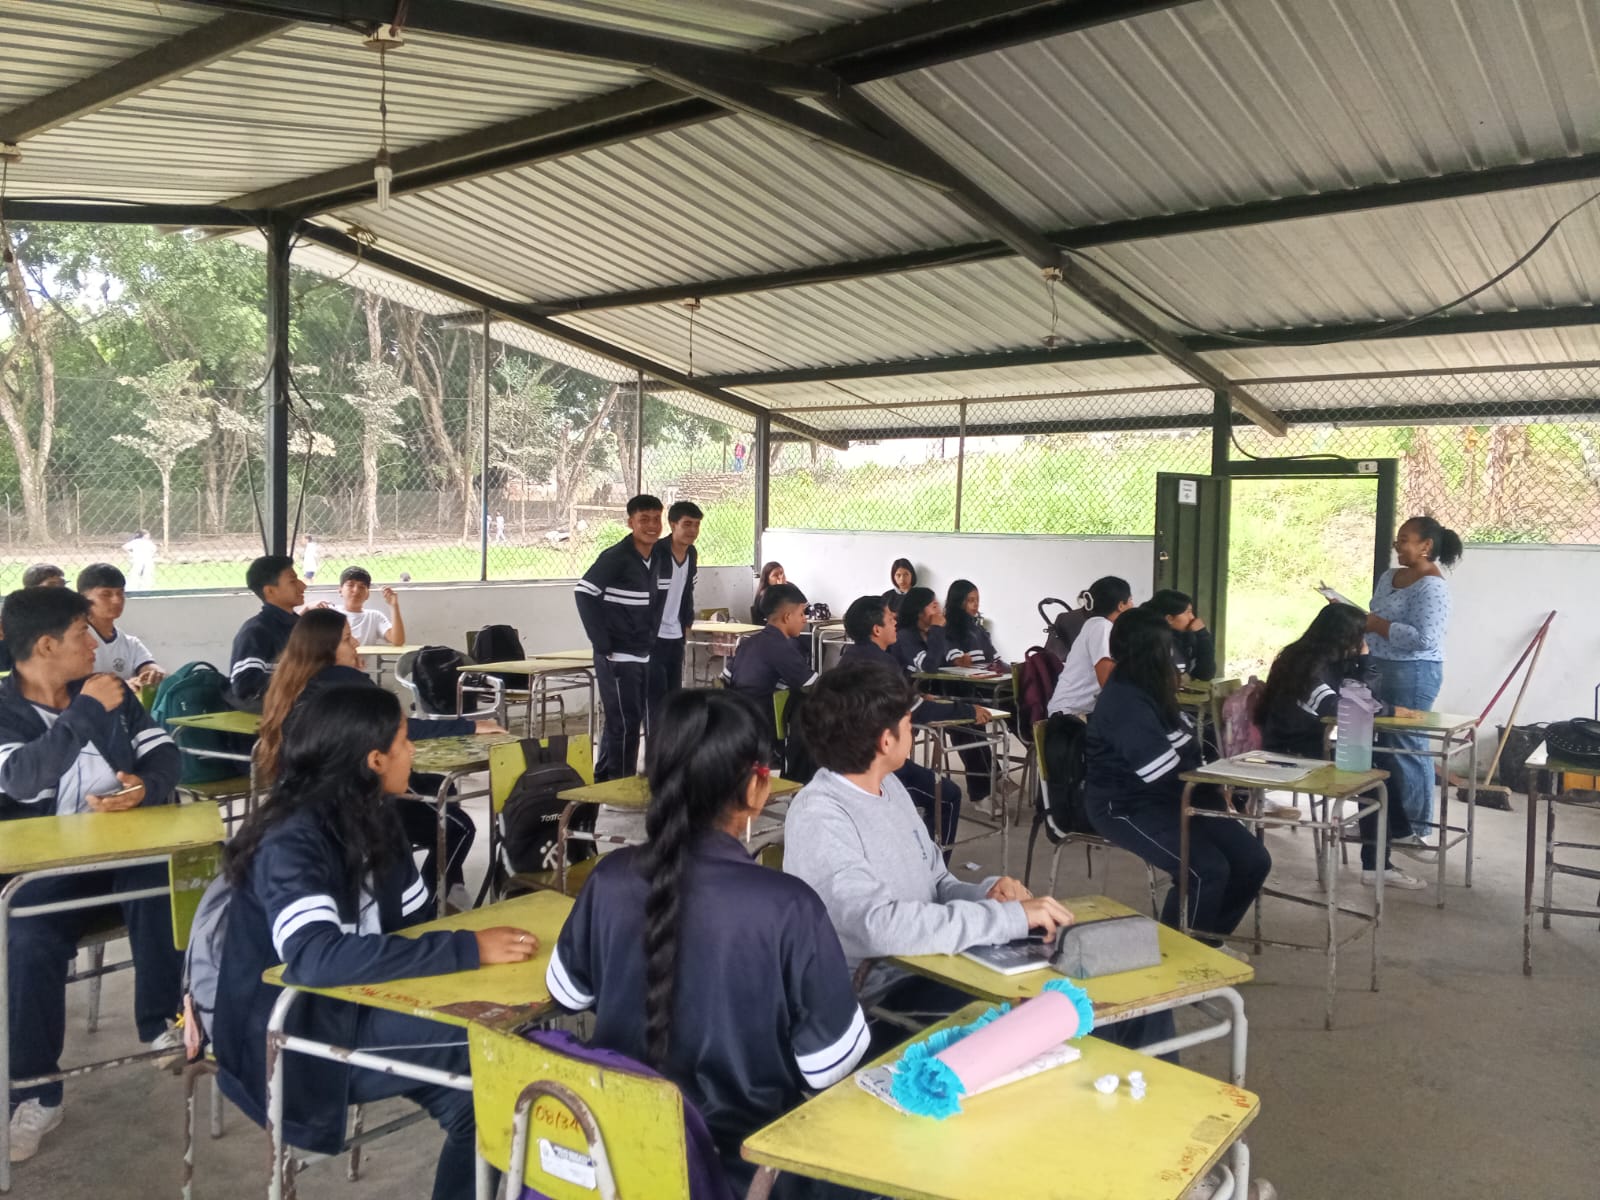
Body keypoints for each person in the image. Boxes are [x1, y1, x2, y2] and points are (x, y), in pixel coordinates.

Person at [214, 686, 537, 1200]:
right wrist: (468, 949)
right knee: (503, 1059)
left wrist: (474, 947)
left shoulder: (375, 812)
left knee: (486, 1095)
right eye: (404, 741)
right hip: (300, 1028)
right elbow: (315, 958)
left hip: (365, 1000)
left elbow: (416, 924)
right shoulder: (294, 837)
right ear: (374, 759)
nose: (413, 751)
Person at [547, 689, 869, 1197]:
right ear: (757, 787)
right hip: (744, 1172)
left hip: (614, 1159)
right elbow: (828, 1067)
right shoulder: (789, 906)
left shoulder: (607, 879)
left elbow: (568, 995)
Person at [783, 658, 1072, 1042]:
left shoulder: (890, 787)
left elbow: (936, 883)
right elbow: (879, 927)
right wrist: (1006, 919)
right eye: (908, 724)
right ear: (885, 741)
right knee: (1040, 1019)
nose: (914, 731)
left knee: (1068, 984)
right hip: (874, 998)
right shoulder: (820, 815)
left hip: (927, 963)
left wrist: (986, 894)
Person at [0, 586, 185, 1161]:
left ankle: (163, 1023)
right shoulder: (8, 708)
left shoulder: (109, 690)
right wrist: (85, 712)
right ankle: (37, 1092)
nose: (94, 645)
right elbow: (22, 778)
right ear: (45, 645)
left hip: (120, 857)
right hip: (39, 874)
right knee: (27, 940)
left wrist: (146, 787)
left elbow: (163, 751)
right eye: (83, 634)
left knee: (164, 875)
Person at [254, 609, 502, 912]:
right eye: (347, 639)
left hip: (306, 799)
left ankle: (451, 886)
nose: (356, 643)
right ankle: (432, 905)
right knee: (458, 827)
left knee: (440, 786)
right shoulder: (343, 682)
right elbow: (399, 726)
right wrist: (470, 726)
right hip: (353, 799)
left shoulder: (292, 682)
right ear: (325, 649)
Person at [1085, 608, 1271, 944]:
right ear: (1154, 653)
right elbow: (1161, 773)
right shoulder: (1125, 702)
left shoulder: (1154, 689)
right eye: (1170, 649)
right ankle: (1176, 958)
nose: (1177, 658)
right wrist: (1214, 780)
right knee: (1205, 869)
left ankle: (1207, 945)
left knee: (1253, 860)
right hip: (1126, 806)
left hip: (1176, 796)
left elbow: (1185, 757)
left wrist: (1218, 785)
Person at [1256, 605, 1425, 891]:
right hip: (1290, 752)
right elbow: (1339, 707)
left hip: (1311, 743)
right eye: (1360, 635)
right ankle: (1377, 866)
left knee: (1383, 765)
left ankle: (1397, 835)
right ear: (1343, 634)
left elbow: (1366, 696)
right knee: (1373, 778)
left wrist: (1365, 660)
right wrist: (1392, 709)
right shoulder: (1305, 664)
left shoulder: (1330, 658)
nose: (1363, 640)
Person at [836, 594, 987, 847]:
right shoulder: (884, 661)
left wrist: (911, 695)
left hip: (843, 757)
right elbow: (920, 712)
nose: (895, 620)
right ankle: (929, 866)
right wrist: (968, 711)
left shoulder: (849, 657)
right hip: (871, 764)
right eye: (889, 618)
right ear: (876, 629)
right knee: (948, 796)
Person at [1365, 516, 1463, 843]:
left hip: (1413, 674)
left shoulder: (1433, 586)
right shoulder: (1389, 576)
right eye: (1397, 539)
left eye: (1405, 540)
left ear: (1426, 546)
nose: (1397, 545)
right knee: (1383, 748)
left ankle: (1414, 828)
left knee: (1407, 747)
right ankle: (1382, 823)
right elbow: (1377, 613)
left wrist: (1376, 625)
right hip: (1379, 667)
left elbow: (1426, 639)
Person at [575, 495, 664, 781]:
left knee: (627, 721)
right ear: (630, 523)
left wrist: (652, 635)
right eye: (644, 520)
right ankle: (620, 786)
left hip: (642, 652)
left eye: (656, 519)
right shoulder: (616, 557)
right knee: (624, 724)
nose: (652, 526)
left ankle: (604, 779)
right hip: (617, 655)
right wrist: (602, 643)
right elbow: (584, 593)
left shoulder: (655, 557)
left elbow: (655, 601)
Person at [891, 586, 994, 809]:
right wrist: (938, 630)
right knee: (964, 723)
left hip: (936, 694)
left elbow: (946, 658)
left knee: (973, 720)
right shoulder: (906, 636)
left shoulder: (934, 632)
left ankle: (987, 784)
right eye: (933, 605)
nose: (939, 609)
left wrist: (958, 658)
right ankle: (981, 792)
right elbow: (929, 666)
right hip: (910, 702)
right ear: (919, 611)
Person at [723, 582, 818, 745]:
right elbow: (811, 684)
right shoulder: (781, 647)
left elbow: (724, 678)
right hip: (764, 723)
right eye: (802, 613)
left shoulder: (748, 642)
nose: (805, 619)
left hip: (737, 718)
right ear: (787, 617)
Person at [227, 555, 304, 711]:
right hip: (277, 714)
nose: (303, 586)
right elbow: (245, 685)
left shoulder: (303, 626)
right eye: (293, 581)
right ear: (270, 591)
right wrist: (300, 682)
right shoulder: (256, 632)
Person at [647, 500, 701, 724]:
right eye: (687, 524)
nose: (693, 530)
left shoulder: (692, 553)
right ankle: (655, 743)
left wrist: (687, 621)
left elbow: (687, 591)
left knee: (674, 699)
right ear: (672, 524)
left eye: (696, 525)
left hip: (676, 636)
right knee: (655, 701)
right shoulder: (655, 552)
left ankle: (671, 743)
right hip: (652, 637)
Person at [1047, 575, 1133, 716]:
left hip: (1077, 712)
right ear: (1121, 606)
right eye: (1130, 600)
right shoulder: (1101, 627)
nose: (1133, 606)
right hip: (1071, 716)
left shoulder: (1096, 625)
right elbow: (1107, 682)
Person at [76, 562, 164, 687]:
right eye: (106, 594)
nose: (117, 600)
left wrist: (155, 675)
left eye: (120, 593)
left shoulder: (131, 643)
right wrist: (124, 686)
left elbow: (150, 668)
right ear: (83, 598)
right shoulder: (74, 641)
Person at [1144, 589, 1215, 681]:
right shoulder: (1151, 642)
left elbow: (1205, 674)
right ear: (1169, 619)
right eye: (1188, 612)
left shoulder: (1186, 638)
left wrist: (1203, 635)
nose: (1192, 617)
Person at [332, 566, 406, 649]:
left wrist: (394, 606)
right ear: (340, 590)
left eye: (361, 587)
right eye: (350, 585)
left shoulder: (374, 617)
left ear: (367, 594)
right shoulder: (330, 613)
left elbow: (398, 641)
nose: (356, 590)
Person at [943, 579, 1006, 669]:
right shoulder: (947, 628)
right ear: (958, 602)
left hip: (985, 674)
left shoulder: (979, 629)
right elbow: (958, 660)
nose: (976, 604)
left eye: (977, 600)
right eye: (971, 600)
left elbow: (995, 660)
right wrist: (961, 660)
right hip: (964, 676)